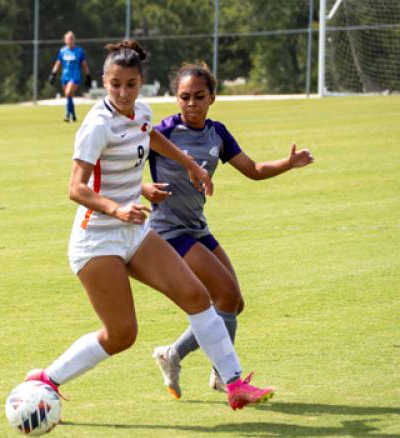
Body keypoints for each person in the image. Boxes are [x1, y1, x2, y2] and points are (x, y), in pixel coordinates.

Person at [26, 41, 274, 412]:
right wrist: (118, 208)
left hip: (135, 233)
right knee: (122, 334)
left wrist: (188, 162)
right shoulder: (96, 125)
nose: (123, 93)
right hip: (96, 239)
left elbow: (149, 133)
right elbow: (75, 188)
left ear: (141, 81)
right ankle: (46, 378)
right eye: (114, 85)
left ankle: (235, 384)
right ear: (105, 83)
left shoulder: (140, 111)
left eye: (130, 84)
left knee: (196, 296)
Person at [143, 63, 314, 399]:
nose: (191, 103)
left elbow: (253, 169)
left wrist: (288, 163)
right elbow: (121, 162)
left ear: (212, 98)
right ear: (176, 98)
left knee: (233, 303)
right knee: (224, 295)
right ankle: (225, 375)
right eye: (184, 97)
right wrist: (143, 188)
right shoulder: (162, 132)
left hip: (197, 228)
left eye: (199, 97)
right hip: (167, 231)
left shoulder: (217, 133)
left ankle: (172, 354)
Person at [49, 31, 91, 122]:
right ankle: (73, 114)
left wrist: (88, 76)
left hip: (75, 77)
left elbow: (84, 64)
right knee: (69, 96)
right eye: (68, 38)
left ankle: (67, 114)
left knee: (68, 93)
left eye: (72, 38)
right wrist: (53, 74)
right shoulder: (62, 51)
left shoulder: (79, 51)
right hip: (65, 76)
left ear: (74, 40)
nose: (70, 40)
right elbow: (58, 63)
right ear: (65, 40)